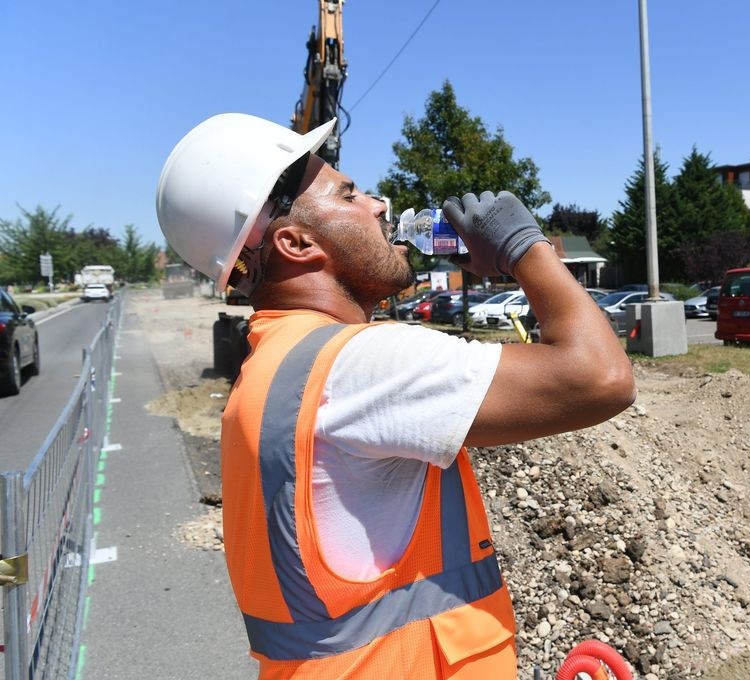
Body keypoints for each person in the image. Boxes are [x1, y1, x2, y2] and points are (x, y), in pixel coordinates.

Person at [156, 113, 636, 678]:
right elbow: (601, 378)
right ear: (295, 242)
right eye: (349, 195)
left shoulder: (277, 368)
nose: (379, 204)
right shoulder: (358, 364)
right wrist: (524, 247)